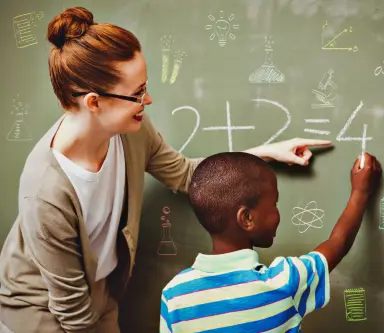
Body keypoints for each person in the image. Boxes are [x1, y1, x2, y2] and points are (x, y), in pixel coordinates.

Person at [0, 7, 332, 333]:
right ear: (94, 102)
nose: (148, 100)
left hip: (100, 293)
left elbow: (187, 174)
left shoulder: (131, 132)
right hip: (40, 309)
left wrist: (265, 154)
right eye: (137, 93)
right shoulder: (45, 191)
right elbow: (71, 313)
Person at [160, 151, 382, 332]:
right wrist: (360, 192)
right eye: (274, 204)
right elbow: (338, 243)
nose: (278, 212)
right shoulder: (283, 282)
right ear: (247, 218)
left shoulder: (175, 295)